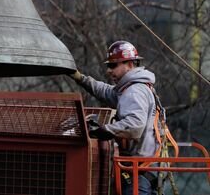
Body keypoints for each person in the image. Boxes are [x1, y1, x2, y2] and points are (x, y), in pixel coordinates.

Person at [70, 40, 165, 195]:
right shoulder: (133, 89)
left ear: (129, 64)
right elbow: (107, 92)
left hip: (140, 170)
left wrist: (105, 130)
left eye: (113, 65)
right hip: (145, 169)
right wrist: (80, 78)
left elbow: (135, 126)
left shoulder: (135, 91)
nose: (109, 70)